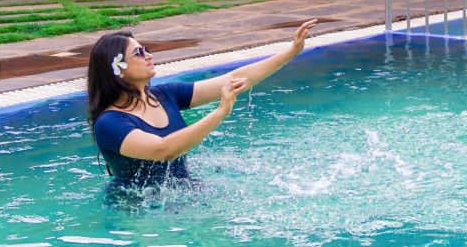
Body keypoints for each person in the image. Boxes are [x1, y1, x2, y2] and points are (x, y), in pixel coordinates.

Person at [86, 19, 317, 192]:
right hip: (135, 215)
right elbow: (163, 150)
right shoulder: (109, 123)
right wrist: (220, 113)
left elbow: (234, 79)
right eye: (139, 52)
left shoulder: (166, 95)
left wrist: (291, 52)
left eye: (146, 49)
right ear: (117, 69)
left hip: (184, 195)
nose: (149, 55)